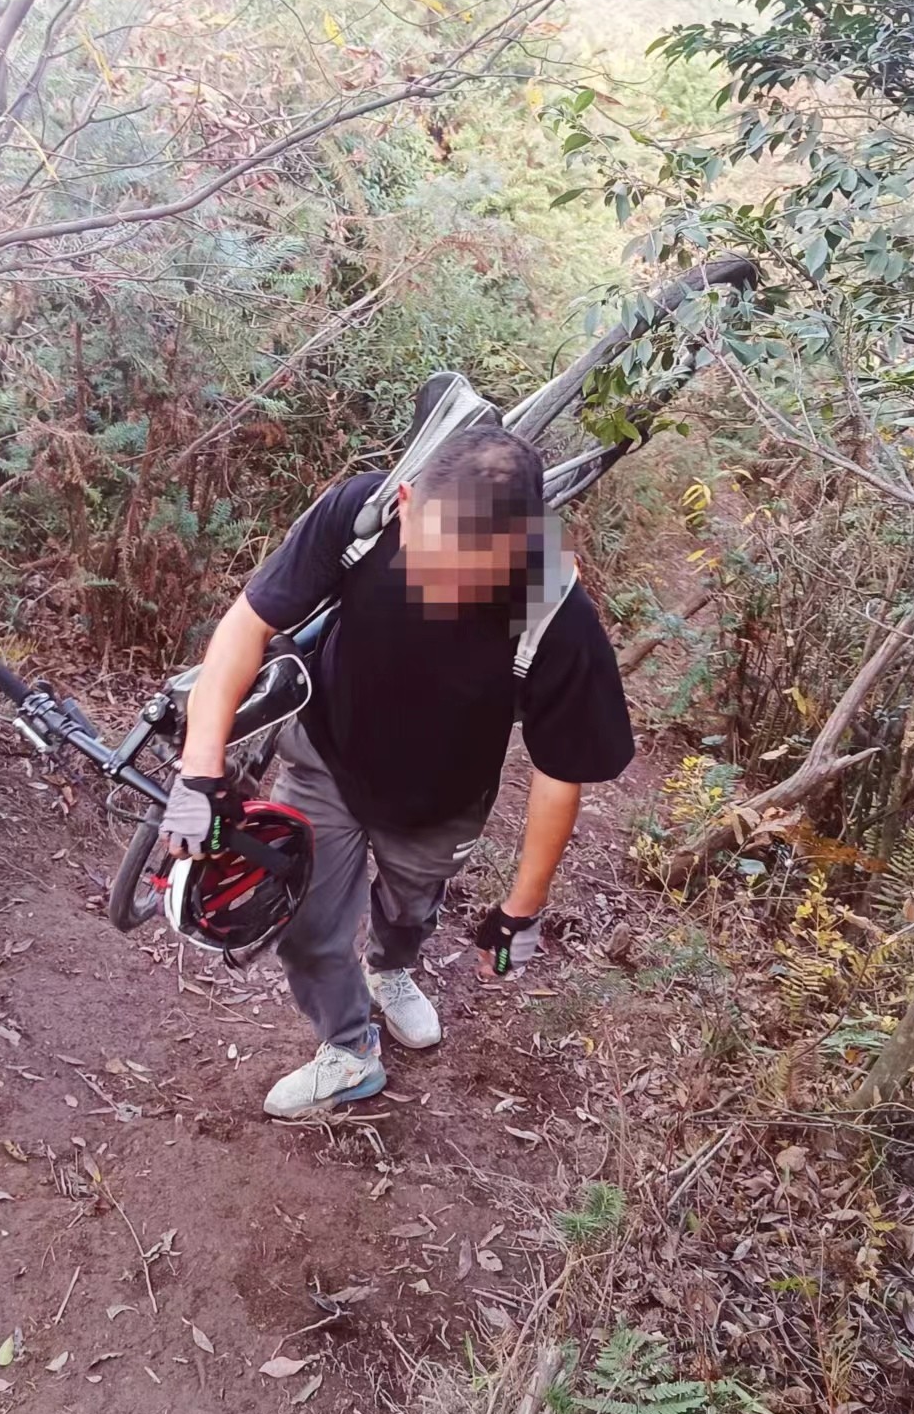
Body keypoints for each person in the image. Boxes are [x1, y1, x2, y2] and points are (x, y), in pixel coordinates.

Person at [157, 427, 634, 1118]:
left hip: (439, 802)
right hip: (328, 758)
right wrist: (200, 770)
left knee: (410, 912)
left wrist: (520, 910)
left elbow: (561, 773)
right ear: (408, 503)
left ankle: (392, 969)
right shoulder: (362, 516)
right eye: (434, 559)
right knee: (309, 925)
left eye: (476, 575)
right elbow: (248, 623)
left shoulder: (551, 608)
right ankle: (349, 1051)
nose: (444, 590)